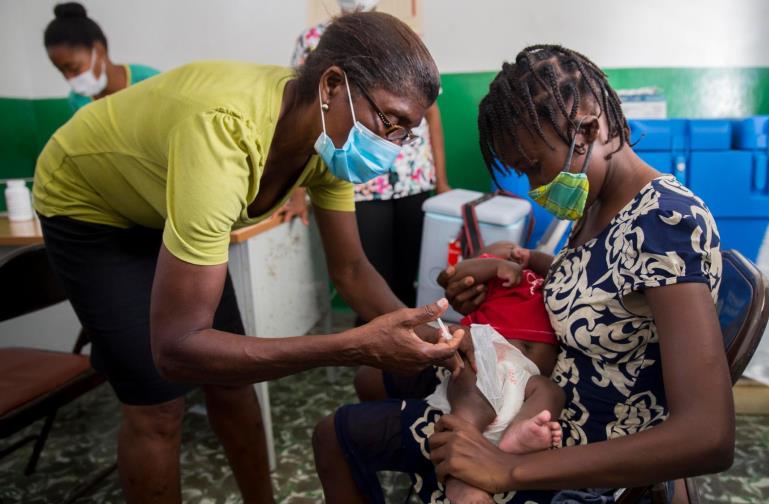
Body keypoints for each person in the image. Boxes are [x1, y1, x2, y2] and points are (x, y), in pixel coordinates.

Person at [32, 12, 468, 504]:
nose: (392, 147)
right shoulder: (225, 133)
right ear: (332, 85)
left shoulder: (328, 138)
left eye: (405, 133)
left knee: (233, 380)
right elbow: (177, 348)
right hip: (89, 207)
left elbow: (350, 269)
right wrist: (352, 345)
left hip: (159, 199)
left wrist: (433, 334)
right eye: (389, 121)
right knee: (158, 405)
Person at [313, 45, 734, 503]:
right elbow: (601, 288)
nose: (534, 188)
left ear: (588, 130)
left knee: (335, 436)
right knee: (374, 377)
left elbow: (708, 436)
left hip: (568, 444)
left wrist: (508, 469)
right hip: (534, 393)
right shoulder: (597, 205)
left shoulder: (666, 222)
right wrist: (499, 284)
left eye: (534, 167)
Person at [283, 0, 450, 327]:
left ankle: (407, 347)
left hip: (413, 178)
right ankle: (373, 349)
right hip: (357, 179)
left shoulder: (403, 39)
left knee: (408, 275)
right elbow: (306, 109)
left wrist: (441, 181)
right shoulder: (313, 39)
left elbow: (430, 113)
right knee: (370, 277)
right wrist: (298, 191)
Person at [412, 249, 566, 503]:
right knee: (472, 398)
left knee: (551, 393)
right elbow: (456, 273)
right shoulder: (497, 275)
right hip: (485, 357)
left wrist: (533, 258)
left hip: (526, 375)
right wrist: (496, 265)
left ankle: (520, 432)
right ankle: (458, 477)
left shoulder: (553, 282)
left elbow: (559, 264)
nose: (512, 250)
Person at [44, 2, 159, 111]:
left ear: (99, 50)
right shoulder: (77, 101)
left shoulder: (151, 81)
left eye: (74, 67)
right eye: (61, 71)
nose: (69, 78)